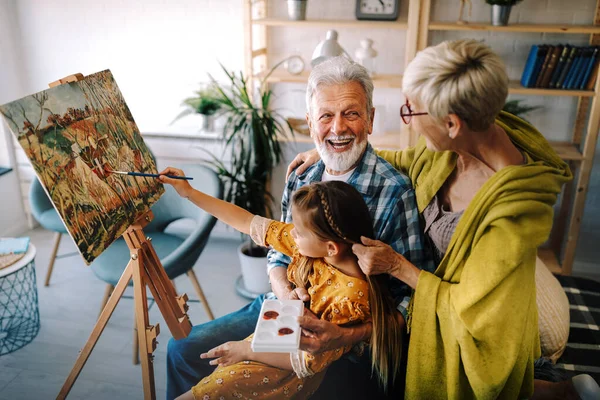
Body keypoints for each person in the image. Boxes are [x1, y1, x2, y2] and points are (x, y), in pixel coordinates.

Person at [287, 39, 600, 399]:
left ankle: (555, 392)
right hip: (437, 284)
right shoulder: (456, 146)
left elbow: (470, 307)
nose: (410, 121)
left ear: (452, 123)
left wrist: (397, 265)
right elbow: (406, 158)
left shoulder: (511, 217)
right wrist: (331, 142)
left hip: (479, 314)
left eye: (413, 112)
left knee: (482, 383)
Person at [166, 56, 433, 399]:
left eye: (351, 113)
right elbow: (277, 249)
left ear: (370, 119)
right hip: (282, 309)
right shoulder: (302, 175)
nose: (338, 128)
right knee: (182, 350)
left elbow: (410, 301)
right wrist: (283, 292)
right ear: (310, 123)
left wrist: (348, 335)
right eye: (326, 116)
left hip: (346, 340)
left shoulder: (394, 191)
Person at [159, 174, 404, 399]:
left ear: (331, 247)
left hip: (278, 375)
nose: (292, 235)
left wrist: (246, 350)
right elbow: (247, 221)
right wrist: (189, 192)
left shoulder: (350, 298)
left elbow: (305, 362)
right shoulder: (315, 246)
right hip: (263, 344)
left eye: (298, 232)